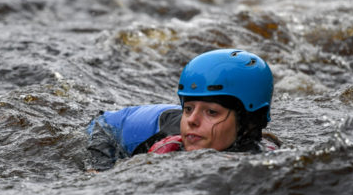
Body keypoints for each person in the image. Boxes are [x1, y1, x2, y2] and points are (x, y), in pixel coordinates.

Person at [86, 48, 280, 170]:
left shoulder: (267, 153)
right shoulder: (164, 152)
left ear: (250, 122)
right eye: (188, 109)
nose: (191, 120)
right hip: (106, 129)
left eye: (211, 112)